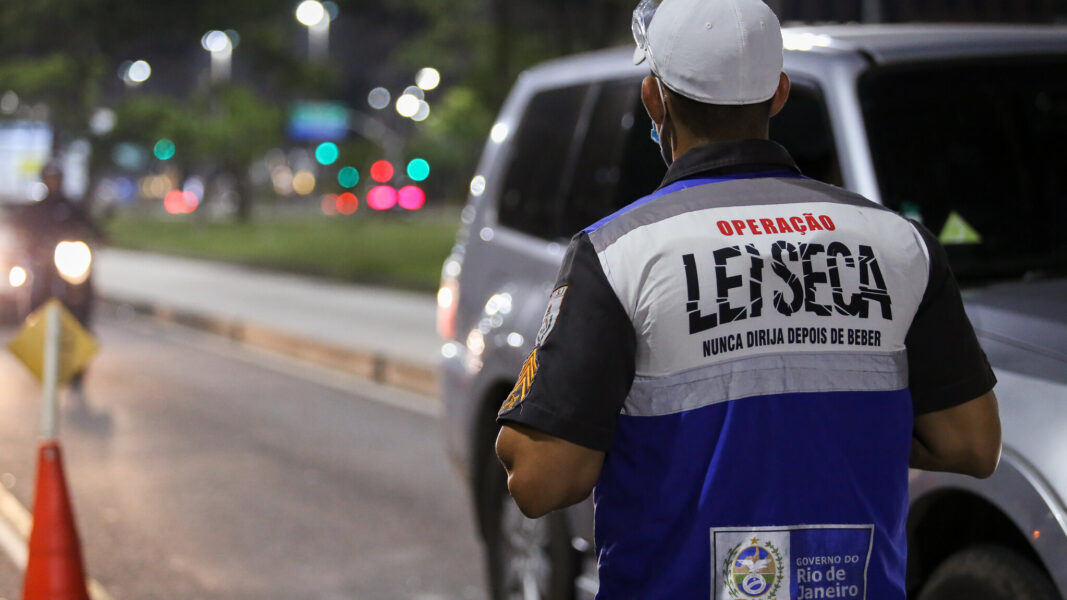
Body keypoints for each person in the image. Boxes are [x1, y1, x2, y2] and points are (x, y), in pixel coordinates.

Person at [494, 0, 1001, 598]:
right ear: (780, 94)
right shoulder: (899, 243)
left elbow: (541, 480)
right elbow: (972, 443)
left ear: (654, 98)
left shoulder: (618, 253)